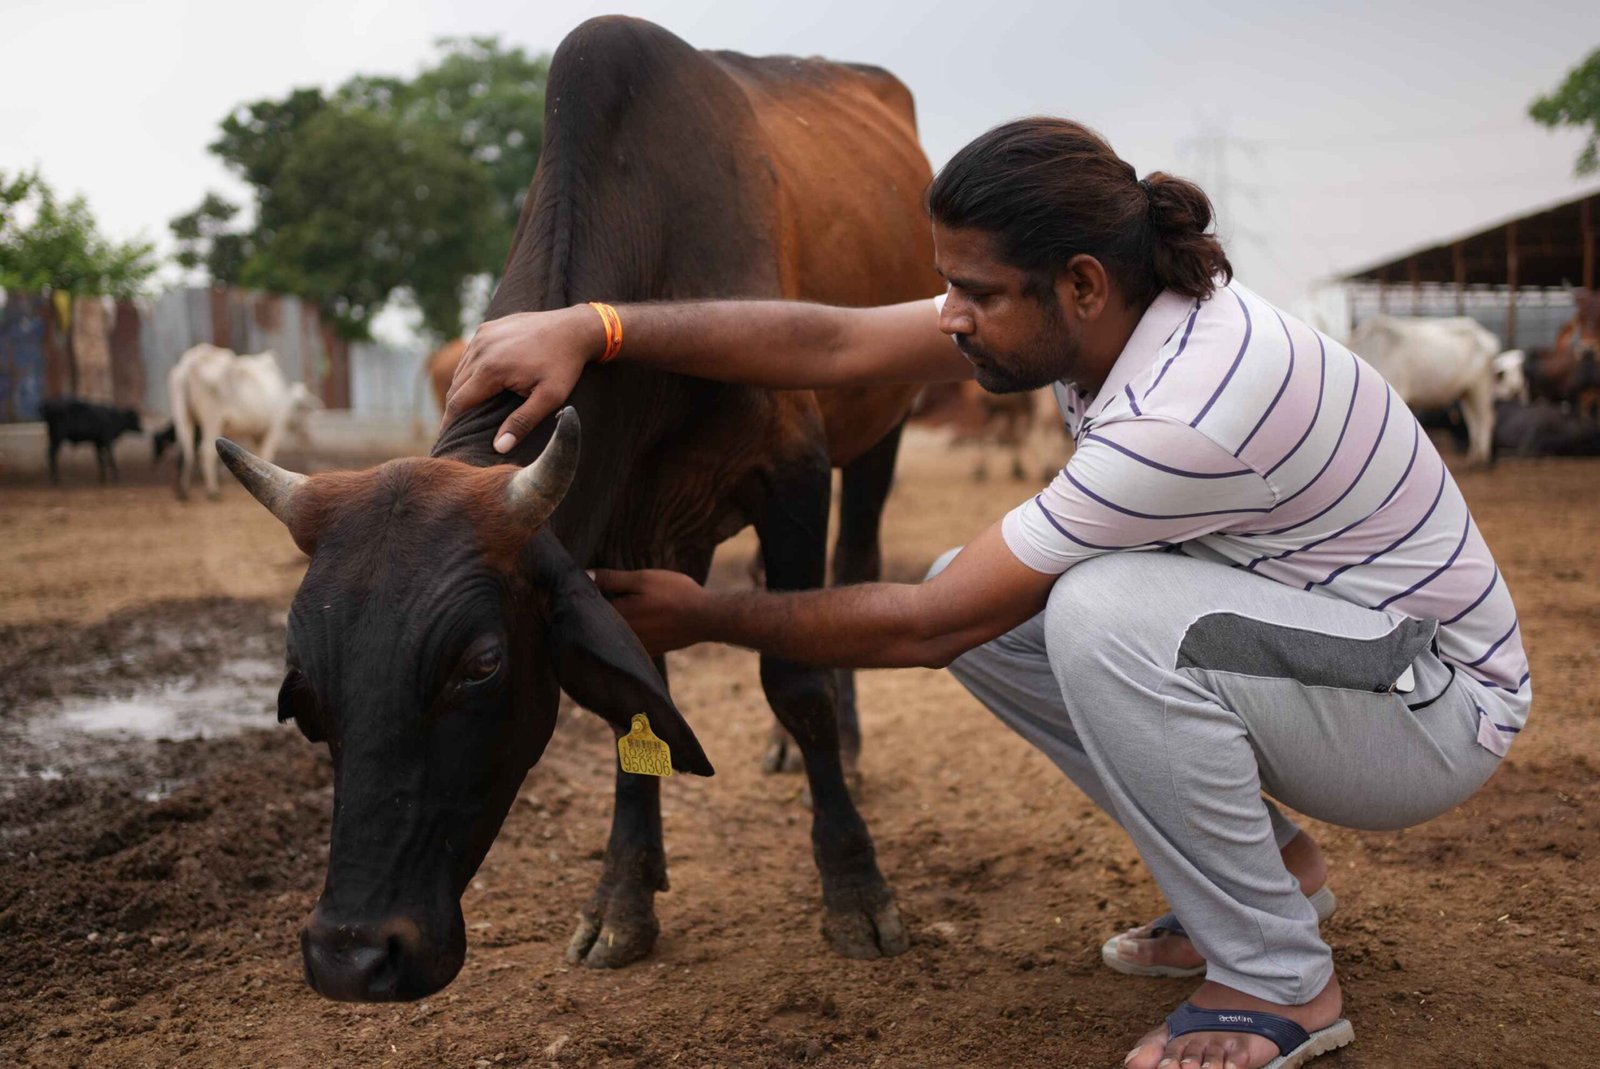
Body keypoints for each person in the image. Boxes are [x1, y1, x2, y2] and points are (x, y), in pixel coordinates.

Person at [444, 118, 1528, 1069]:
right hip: (1337, 648)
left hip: (1428, 709)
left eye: (974, 292)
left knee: (1082, 615)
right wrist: (598, 328)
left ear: (1081, 284)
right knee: (1006, 611)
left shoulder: (1186, 407)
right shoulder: (1101, 318)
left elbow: (924, 627)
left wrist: (706, 611)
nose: (951, 315)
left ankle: (1279, 976)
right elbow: (833, 339)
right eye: (948, 286)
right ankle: (1274, 872)